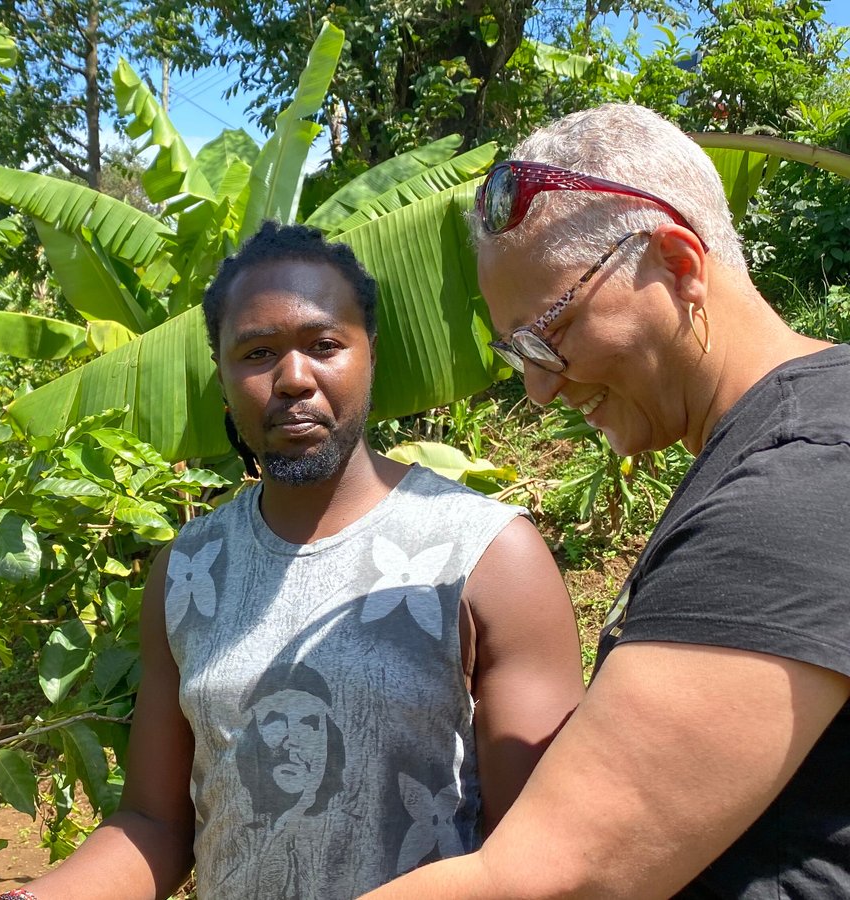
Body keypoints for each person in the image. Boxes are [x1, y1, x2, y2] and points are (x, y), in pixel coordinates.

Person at [0, 222, 583, 899]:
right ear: (222, 375)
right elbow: (155, 823)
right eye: (257, 352)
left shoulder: (484, 554)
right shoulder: (187, 573)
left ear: (371, 355)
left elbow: (543, 849)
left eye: (325, 345)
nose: (294, 378)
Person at [363, 103, 850, 899]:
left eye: (549, 332)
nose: (540, 387)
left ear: (678, 263)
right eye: (516, 351)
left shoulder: (800, 484)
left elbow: (558, 879)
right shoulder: (776, 446)